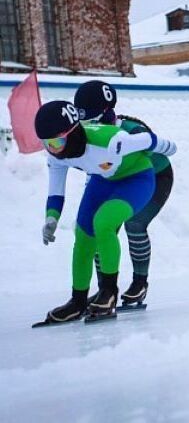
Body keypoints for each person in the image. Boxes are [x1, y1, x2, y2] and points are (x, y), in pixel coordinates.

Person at [34, 100, 176, 324]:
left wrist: (171, 147)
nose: (52, 149)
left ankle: (109, 292)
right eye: (46, 143)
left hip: (136, 178)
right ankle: (77, 301)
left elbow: (149, 140)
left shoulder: (111, 141)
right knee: (82, 236)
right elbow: (56, 191)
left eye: (56, 141)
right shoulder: (54, 154)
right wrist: (51, 217)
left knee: (104, 222)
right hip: (103, 180)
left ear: (72, 133)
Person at [74, 80, 174, 306]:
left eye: (92, 120)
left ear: (107, 113)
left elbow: (161, 148)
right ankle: (105, 290)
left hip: (154, 177)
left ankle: (140, 282)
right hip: (116, 179)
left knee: (135, 225)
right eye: (84, 122)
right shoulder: (88, 130)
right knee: (102, 227)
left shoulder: (130, 129)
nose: (89, 128)